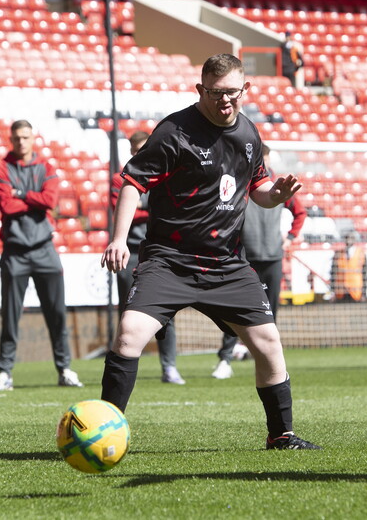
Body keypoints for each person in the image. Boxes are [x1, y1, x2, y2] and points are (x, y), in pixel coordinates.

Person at [100, 53, 320, 450]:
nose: (225, 101)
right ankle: (102, 430)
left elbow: (257, 190)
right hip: (169, 260)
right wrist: (118, 239)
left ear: (244, 90)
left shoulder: (249, 134)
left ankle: (281, 435)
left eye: (233, 93)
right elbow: (133, 182)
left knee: (268, 343)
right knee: (129, 336)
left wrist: (278, 195)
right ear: (201, 89)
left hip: (225, 264)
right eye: (217, 93)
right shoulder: (174, 131)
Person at [0, 120, 82, 390]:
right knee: (10, 315)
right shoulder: (1, 168)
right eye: (17, 138)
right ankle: (5, 372)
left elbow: (50, 201)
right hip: (15, 252)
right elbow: (6, 205)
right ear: (11, 139)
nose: (21, 142)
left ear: (33, 138)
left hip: (44, 249)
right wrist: (34, 197)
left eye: (26, 137)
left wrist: (21, 194)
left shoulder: (46, 167)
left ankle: (65, 369)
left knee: (57, 314)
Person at [213, 144, 306, 379]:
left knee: (270, 314)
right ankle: (225, 359)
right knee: (235, 311)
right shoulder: (241, 183)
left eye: (261, 158)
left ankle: (265, 361)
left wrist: (291, 238)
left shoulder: (279, 186)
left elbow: (300, 212)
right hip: (245, 259)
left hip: (273, 257)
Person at [111, 130, 185, 385]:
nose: (141, 153)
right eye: (137, 150)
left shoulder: (166, 176)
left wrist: (141, 207)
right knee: (128, 313)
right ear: (132, 152)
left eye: (145, 148)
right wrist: (147, 208)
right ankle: (126, 368)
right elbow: (121, 207)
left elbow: (167, 210)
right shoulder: (119, 179)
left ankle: (169, 366)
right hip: (129, 253)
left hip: (159, 252)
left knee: (166, 313)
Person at [331, 232, 366, 303]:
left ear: (355, 240)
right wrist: (333, 291)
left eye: (351, 238)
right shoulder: (338, 253)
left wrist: (364, 293)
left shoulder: (360, 253)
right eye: (347, 238)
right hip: (341, 291)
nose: (349, 240)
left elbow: (364, 274)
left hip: (355, 291)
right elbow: (333, 273)